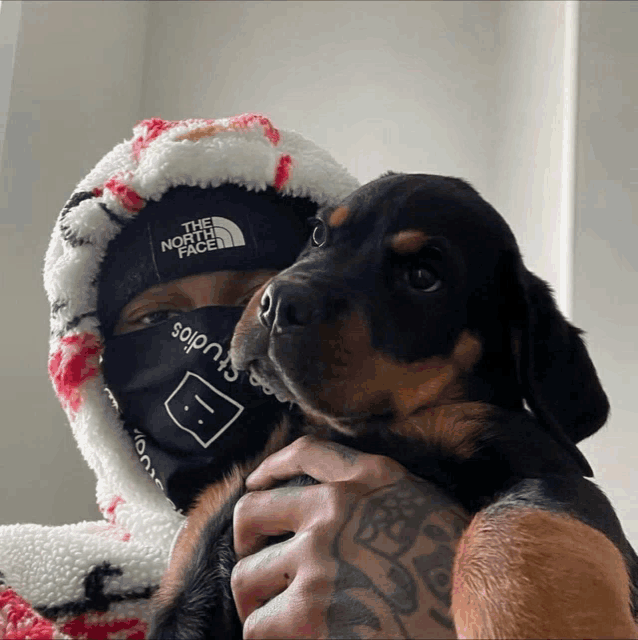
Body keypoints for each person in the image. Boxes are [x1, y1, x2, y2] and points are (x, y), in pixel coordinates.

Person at [0, 113, 470, 639]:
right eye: (156, 318)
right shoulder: (15, 582)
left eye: (250, 299)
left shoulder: (500, 536)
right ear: (96, 364)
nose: (209, 344)